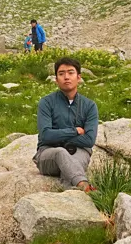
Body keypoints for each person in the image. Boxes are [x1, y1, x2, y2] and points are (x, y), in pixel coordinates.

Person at [35, 57, 97, 191]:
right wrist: (74, 131)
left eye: (71, 72)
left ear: (79, 77)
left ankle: (74, 198)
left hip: (80, 151)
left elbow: (89, 140)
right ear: (56, 79)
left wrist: (57, 135)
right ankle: (83, 185)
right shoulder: (46, 103)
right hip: (48, 154)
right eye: (61, 74)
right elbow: (46, 136)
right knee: (61, 153)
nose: (66, 77)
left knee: (71, 165)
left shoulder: (89, 106)